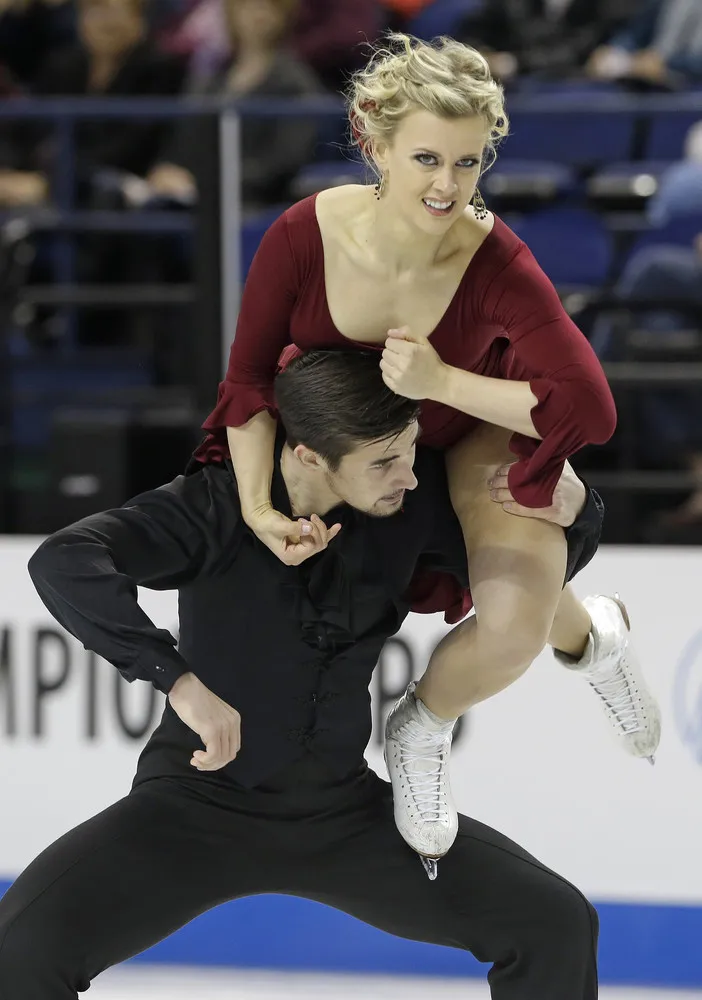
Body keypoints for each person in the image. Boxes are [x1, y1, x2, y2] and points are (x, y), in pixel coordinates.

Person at [1, 349, 603, 999]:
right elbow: (65, 560)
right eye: (385, 461)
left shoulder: (402, 509)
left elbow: (527, 570)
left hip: (344, 815)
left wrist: (578, 509)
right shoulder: (216, 507)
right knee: (20, 950)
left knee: (554, 923)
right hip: (194, 810)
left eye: (408, 450)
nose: (410, 476)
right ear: (308, 455)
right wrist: (176, 680)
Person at [191, 33, 661, 859]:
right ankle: (594, 639)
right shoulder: (305, 234)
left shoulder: (496, 260)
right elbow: (249, 384)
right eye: (427, 159)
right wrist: (258, 506)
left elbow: (588, 404)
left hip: (467, 432)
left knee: (513, 624)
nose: (448, 186)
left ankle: (421, 727)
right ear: (370, 139)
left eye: (469, 163)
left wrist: (442, 381)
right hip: (351, 446)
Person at [148, 0, 321, 213]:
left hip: (255, 201)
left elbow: (283, 161)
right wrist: (168, 168)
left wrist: (207, 183)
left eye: (267, 6)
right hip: (197, 195)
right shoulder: (213, 79)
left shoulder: (296, 83)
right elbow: (187, 139)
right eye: (247, 6)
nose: (257, 14)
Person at [586, 0, 702, 88]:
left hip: (691, 89)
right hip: (652, 87)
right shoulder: (660, 3)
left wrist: (666, 64)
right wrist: (613, 50)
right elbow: (635, 33)